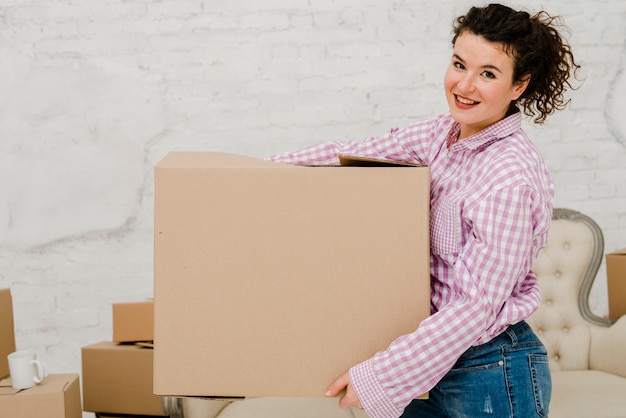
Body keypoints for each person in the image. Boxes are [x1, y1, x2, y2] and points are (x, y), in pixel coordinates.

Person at [267, 3, 581, 417]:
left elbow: (476, 306)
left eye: (487, 74)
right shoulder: (439, 135)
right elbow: (351, 154)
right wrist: (260, 175)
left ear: (518, 86)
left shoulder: (509, 177)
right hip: (430, 361)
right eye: (459, 64)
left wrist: (380, 375)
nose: (464, 85)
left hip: (489, 369)